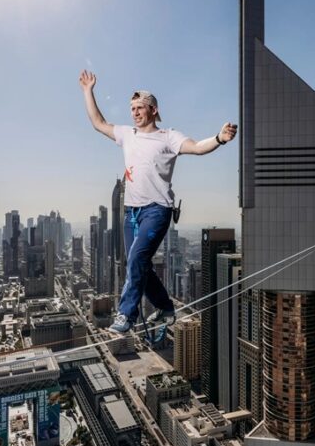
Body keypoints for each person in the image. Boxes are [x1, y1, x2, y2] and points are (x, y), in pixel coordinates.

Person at [79, 70, 237, 339]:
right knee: (137, 263)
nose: (134, 113)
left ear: (153, 110)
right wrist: (87, 91)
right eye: (132, 109)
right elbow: (98, 122)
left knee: (138, 258)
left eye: (139, 108)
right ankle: (165, 307)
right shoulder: (127, 134)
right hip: (131, 212)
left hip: (157, 209)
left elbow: (198, 147)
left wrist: (219, 138)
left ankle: (126, 315)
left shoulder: (168, 137)